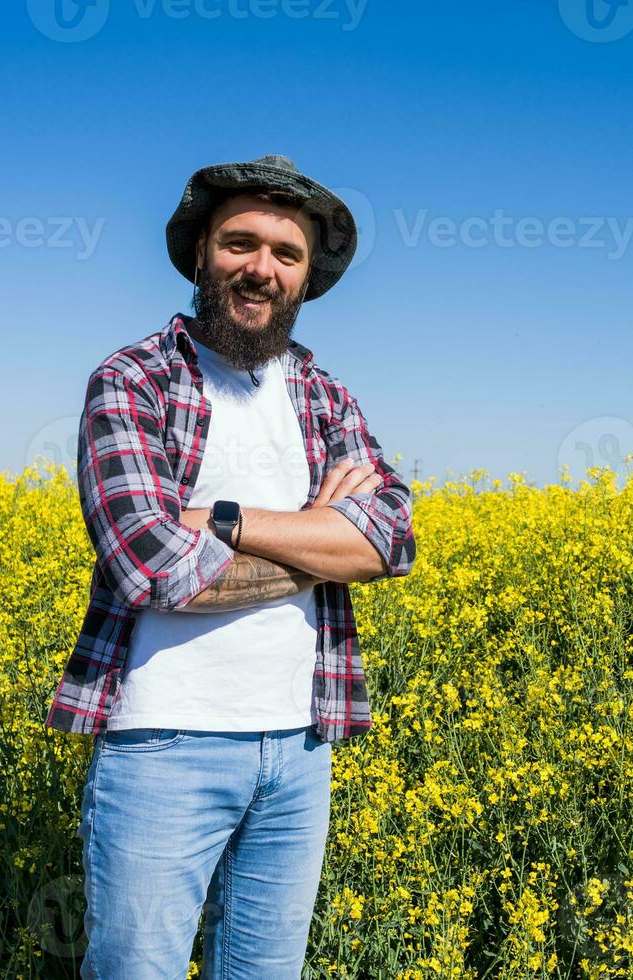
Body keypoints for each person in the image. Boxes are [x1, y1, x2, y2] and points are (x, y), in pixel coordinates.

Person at [43, 154, 416, 978]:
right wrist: (322, 540)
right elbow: (151, 569)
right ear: (200, 254)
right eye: (239, 244)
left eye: (286, 254)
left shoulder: (327, 397)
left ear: (308, 276)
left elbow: (390, 540)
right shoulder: (134, 380)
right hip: (162, 744)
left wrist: (228, 522)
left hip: (300, 744)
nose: (262, 269)